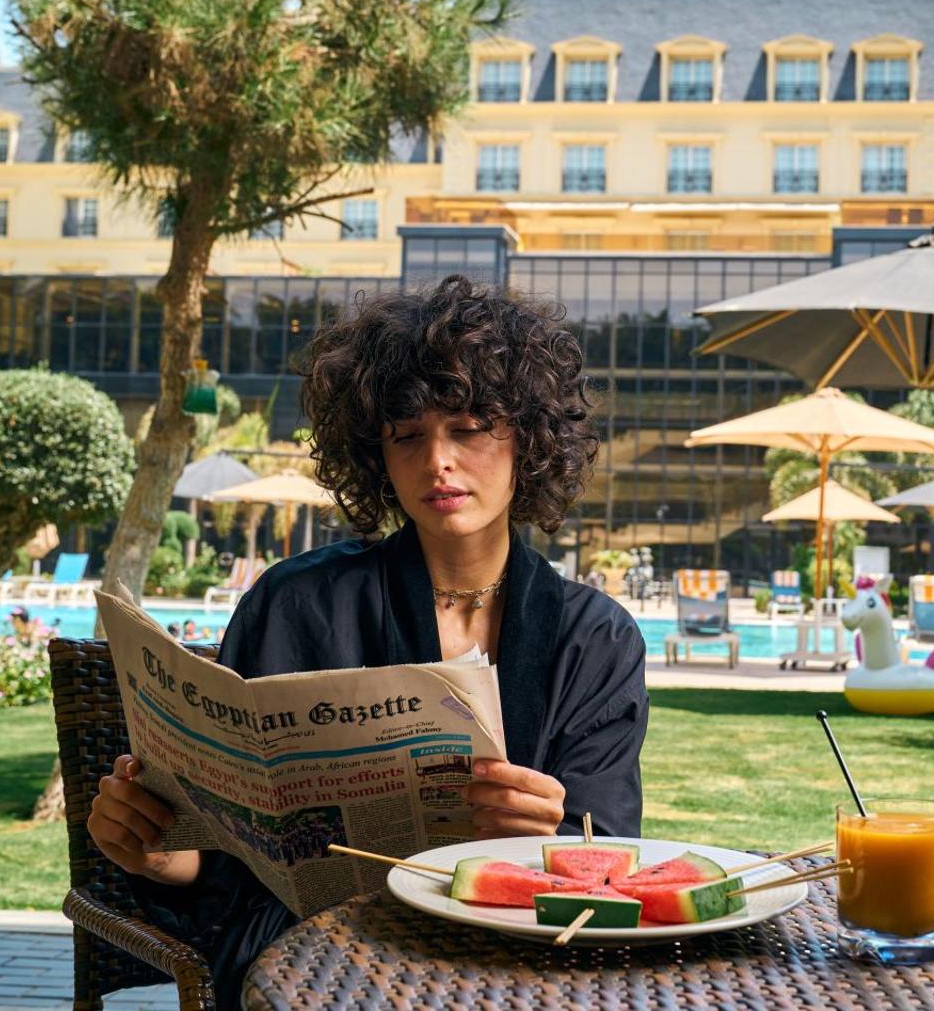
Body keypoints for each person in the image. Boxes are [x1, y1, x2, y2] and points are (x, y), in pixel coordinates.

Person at [86, 276, 647, 1007]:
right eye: (407, 434)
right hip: (314, 958)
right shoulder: (295, 604)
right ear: (375, 454)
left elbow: (609, 861)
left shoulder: (596, 638)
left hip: (519, 962)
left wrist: (548, 844)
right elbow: (230, 865)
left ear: (530, 436)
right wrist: (164, 857)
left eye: (469, 427)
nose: (437, 460)